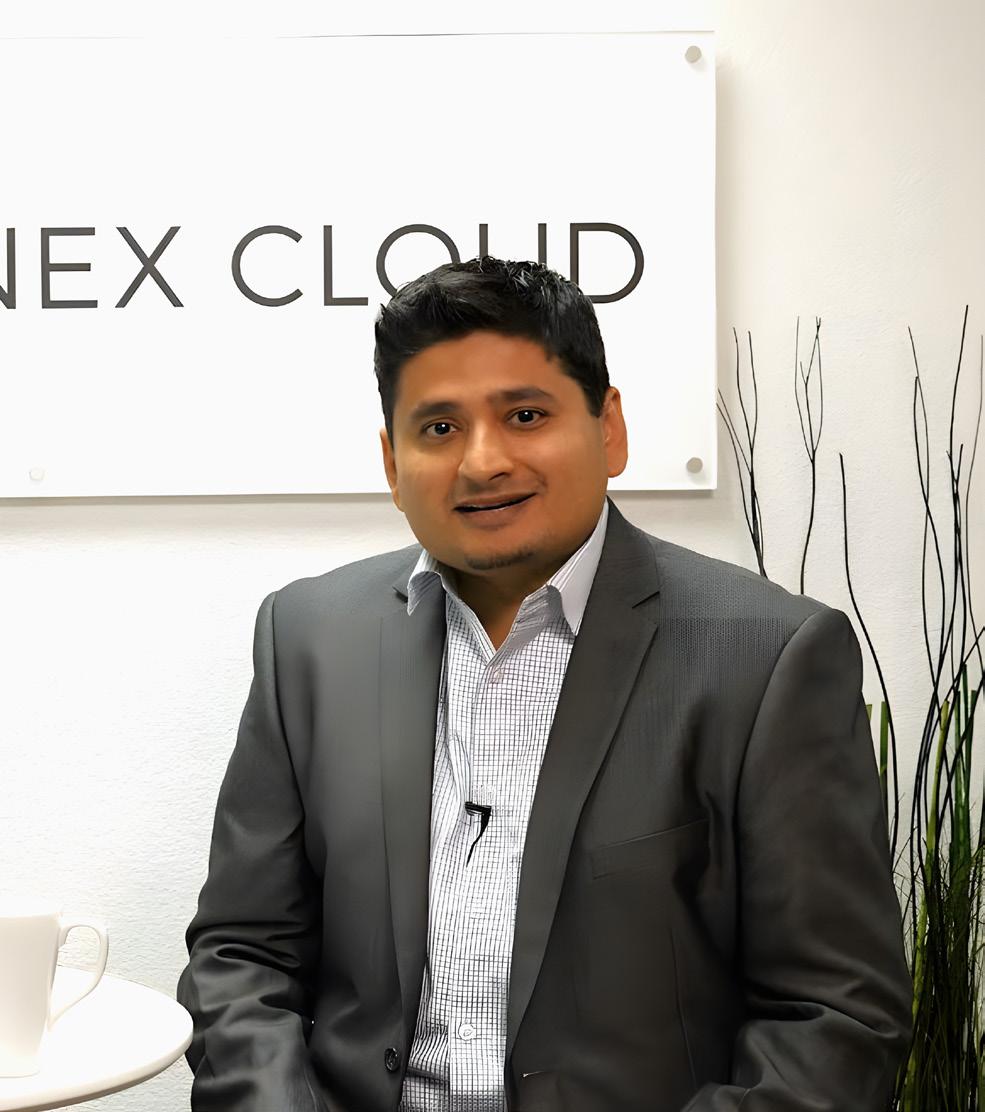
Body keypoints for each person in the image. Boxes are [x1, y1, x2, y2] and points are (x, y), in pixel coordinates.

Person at [176, 256, 912, 1111]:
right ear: (391, 462)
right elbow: (242, 955)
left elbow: (833, 1018)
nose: (482, 461)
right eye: (438, 428)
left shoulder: (769, 656)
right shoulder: (307, 637)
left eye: (524, 415)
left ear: (609, 428)